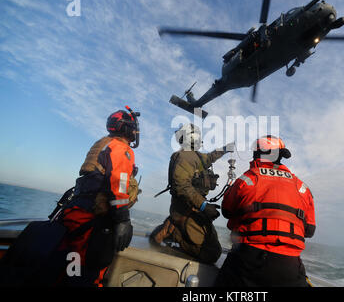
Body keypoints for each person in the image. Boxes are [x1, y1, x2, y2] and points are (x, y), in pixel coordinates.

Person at [214, 135, 316, 287]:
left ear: (257, 154)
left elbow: (227, 210)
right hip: (290, 267)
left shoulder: (247, 179)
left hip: (247, 261)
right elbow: (310, 230)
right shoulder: (302, 187)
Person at [57, 106, 141, 286]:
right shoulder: (122, 148)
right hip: (92, 216)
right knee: (89, 272)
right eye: (133, 126)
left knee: (69, 266)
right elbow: (118, 184)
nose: (135, 130)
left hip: (75, 209)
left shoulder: (103, 143)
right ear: (125, 127)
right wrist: (123, 220)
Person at [151, 123, 234, 264]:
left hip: (193, 209)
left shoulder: (195, 156)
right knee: (212, 254)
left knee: (214, 250)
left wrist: (225, 149)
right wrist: (204, 206)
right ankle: (174, 231)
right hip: (187, 211)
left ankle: (172, 225)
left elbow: (210, 157)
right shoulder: (185, 157)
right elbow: (181, 186)